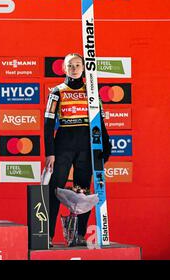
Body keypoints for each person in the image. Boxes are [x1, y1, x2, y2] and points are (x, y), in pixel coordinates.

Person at [44, 53, 111, 247]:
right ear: (64, 69)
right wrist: (50, 152)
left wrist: (105, 148)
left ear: (83, 68)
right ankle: (47, 235)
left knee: (84, 192)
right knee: (54, 190)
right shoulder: (56, 91)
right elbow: (48, 125)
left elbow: (101, 122)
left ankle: (78, 235)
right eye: (70, 65)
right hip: (63, 145)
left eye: (77, 65)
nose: (74, 68)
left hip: (87, 146)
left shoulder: (92, 91)